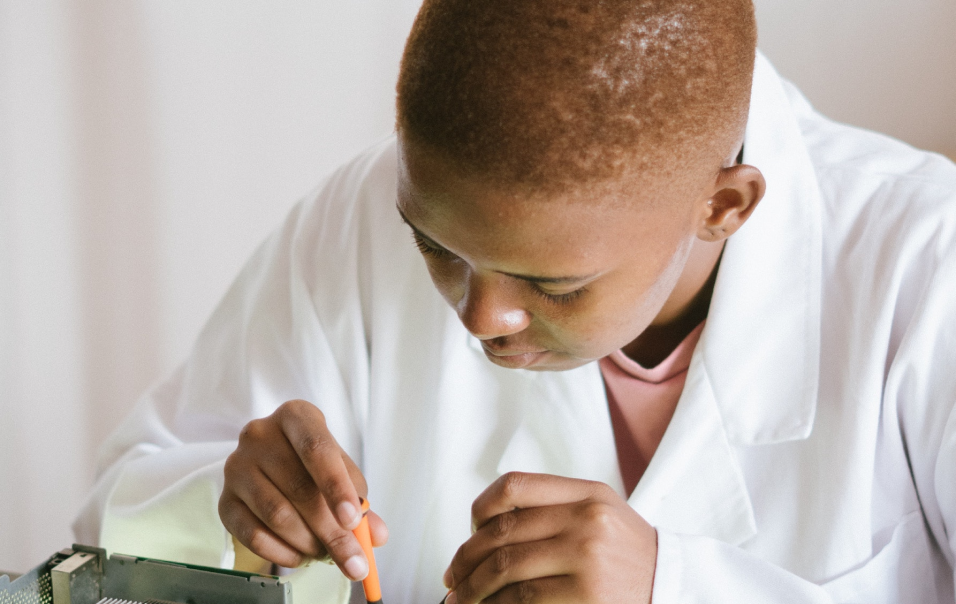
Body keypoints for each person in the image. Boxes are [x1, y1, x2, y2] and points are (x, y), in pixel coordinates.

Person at [75, 0, 956, 602]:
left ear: (724, 207)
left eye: (554, 284)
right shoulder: (360, 214)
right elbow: (106, 524)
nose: (480, 316)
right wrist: (229, 503)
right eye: (436, 249)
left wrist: (675, 587)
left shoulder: (925, 263)